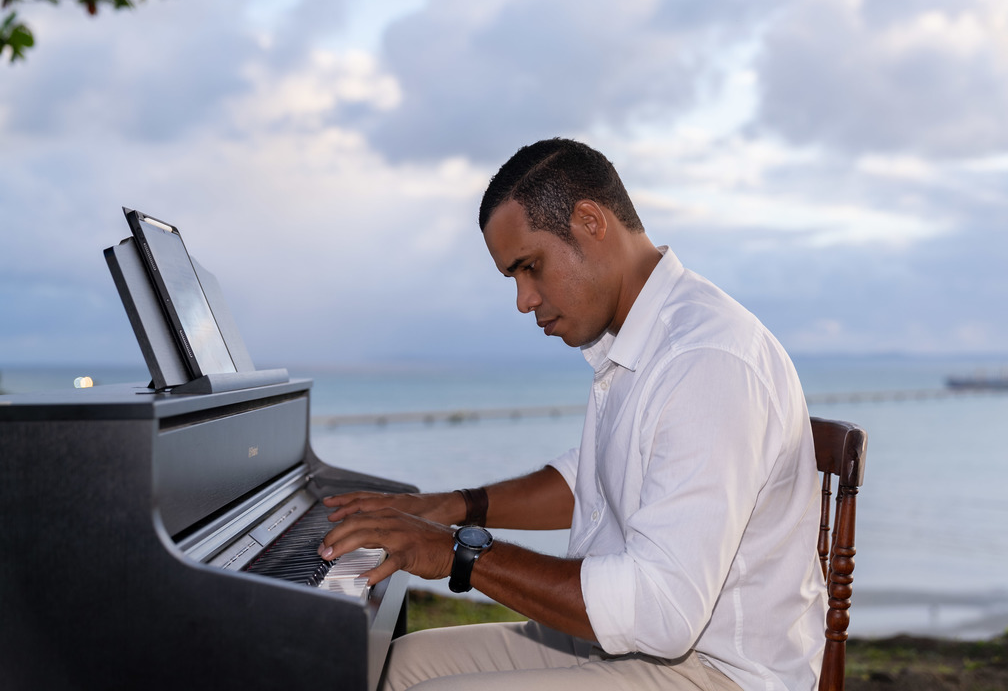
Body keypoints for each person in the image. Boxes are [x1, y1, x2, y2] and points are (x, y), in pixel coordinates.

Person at [318, 138, 828, 690]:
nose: (524, 300)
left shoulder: (706, 358)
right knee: (391, 666)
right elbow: (591, 480)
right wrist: (450, 508)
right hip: (631, 646)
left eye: (530, 267)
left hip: (721, 671)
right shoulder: (639, 338)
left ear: (590, 221)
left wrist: (457, 553)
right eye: (514, 277)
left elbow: (660, 611)